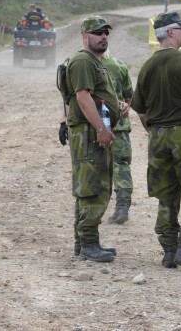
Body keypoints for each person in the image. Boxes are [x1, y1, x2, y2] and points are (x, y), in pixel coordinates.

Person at [131, 11, 181, 272]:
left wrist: (153, 130)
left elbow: (140, 109)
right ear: (169, 32)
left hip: (158, 135)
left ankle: (169, 250)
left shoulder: (147, 66)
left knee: (166, 193)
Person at [64, 16, 120, 262]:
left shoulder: (93, 62)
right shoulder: (83, 61)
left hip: (90, 131)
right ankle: (88, 243)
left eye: (106, 32)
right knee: (93, 187)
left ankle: (84, 242)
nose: (103, 36)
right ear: (85, 36)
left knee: (89, 186)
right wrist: (100, 129)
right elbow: (82, 98)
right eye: (98, 33)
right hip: (88, 134)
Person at [101, 53, 134, 225]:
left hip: (94, 124)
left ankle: (94, 208)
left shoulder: (82, 63)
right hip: (119, 124)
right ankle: (122, 207)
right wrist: (124, 105)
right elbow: (129, 96)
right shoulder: (119, 65)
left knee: (95, 164)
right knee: (121, 165)